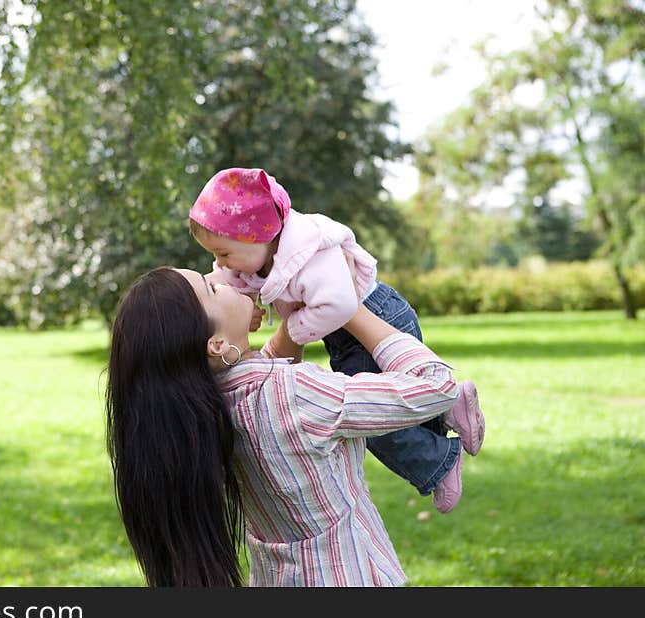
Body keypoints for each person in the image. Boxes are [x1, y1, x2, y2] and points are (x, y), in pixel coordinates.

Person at [105, 266, 462, 586]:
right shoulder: (295, 394)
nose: (221, 278)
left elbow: (267, 375)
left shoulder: (206, 408)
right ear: (216, 344)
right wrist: (351, 309)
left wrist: (296, 318)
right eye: (210, 288)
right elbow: (436, 386)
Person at [188, 167, 485, 513]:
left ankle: (438, 463)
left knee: (373, 421)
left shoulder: (309, 253)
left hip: (376, 316)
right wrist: (238, 303)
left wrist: (293, 327)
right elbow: (223, 281)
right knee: (384, 402)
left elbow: (342, 305)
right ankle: (452, 405)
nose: (220, 265)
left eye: (224, 254)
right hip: (343, 334)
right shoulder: (256, 256)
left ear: (260, 235)